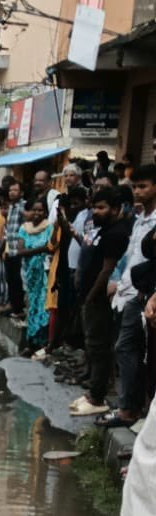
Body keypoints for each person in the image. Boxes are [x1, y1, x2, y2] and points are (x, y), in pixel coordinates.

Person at [102, 163, 156, 430]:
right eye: (134, 187)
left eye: (143, 186)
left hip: (145, 294)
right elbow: (130, 255)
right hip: (130, 290)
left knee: (128, 349)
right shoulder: (141, 218)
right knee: (130, 349)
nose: (137, 191)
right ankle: (131, 406)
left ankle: (130, 409)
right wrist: (117, 281)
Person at [71, 185, 133, 416]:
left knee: (99, 347)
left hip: (99, 298)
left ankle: (97, 397)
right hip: (89, 295)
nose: (96, 211)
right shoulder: (101, 229)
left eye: (101, 207)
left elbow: (107, 269)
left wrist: (91, 295)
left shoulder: (116, 233)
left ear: (115, 209)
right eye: (94, 207)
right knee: (92, 343)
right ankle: (93, 391)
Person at [18, 201, 54, 358]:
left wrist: (33, 250)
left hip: (45, 272)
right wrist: (41, 249)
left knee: (43, 304)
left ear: (45, 212)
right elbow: (20, 251)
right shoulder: (24, 228)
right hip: (30, 273)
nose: (37, 213)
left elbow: (51, 247)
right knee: (32, 305)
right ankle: (31, 342)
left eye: (41, 210)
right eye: (35, 210)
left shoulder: (49, 228)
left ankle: (42, 342)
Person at [0, 178, 27, 320]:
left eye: (15, 190)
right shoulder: (10, 208)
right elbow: (8, 230)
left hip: (19, 250)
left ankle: (19, 309)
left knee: (18, 281)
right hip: (10, 250)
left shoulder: (23, 207)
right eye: (10, 190)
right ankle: (14, 307)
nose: (12, 192)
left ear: (21, 193)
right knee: (11, 280)